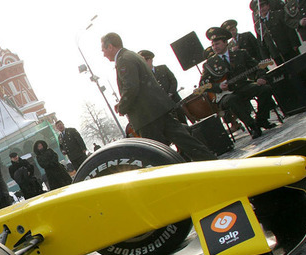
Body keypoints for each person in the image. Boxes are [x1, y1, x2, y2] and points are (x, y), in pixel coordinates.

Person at [100, 32, 217, 160]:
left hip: (148, 117)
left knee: (156, 156)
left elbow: (131, 87)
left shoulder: (124, 60)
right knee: (187, 143)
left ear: (110, 46)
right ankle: (212, 163)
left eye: (103, 50)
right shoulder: (131, 55)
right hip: (159, 110)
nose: (103, 54)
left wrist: (122, 106)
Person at [199, 27, 278, 139]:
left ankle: (261, 120)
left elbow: (258, 67)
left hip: (243, 86)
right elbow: (202, 84)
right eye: (213, 45)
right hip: (225, 95)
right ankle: (253, 126)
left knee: (265, 89)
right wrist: (218, 86)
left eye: (217, 44)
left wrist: (261, 77)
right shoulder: (209, 64)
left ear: (225, 42)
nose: (215, 47)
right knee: (232, 100)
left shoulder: (240, 54)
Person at [251, 0, 301, 65]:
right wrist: (266, 57)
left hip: (288, 48)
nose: (262, 9)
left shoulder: (278, 14)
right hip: (276, 54)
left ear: (268, 6)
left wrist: (295, 44)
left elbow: (289, 30)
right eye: (258, 8)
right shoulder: (258, 25)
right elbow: (261, 42)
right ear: (256, 12)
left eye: (263, 6)